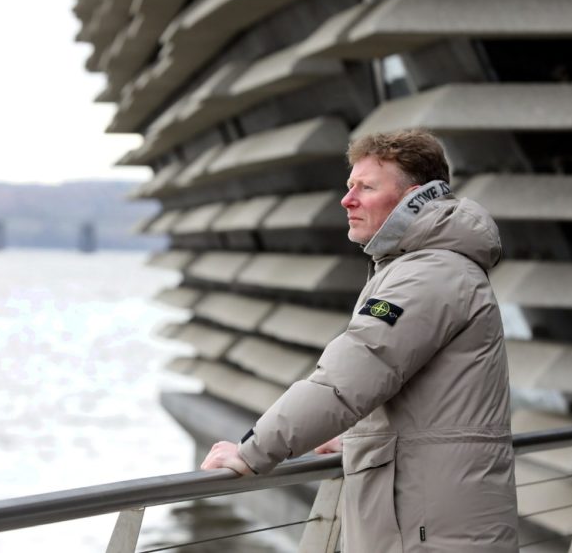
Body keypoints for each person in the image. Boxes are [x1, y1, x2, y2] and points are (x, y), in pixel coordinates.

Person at [200, 129, 519, 552]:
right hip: (435, 520)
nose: (347, 200)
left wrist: (252, 451)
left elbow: (349, 377)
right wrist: (359, 438)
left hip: (431, 532)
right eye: (349, 186)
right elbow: (428, 400)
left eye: (365, 187)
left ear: (415, 197)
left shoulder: (428, 275)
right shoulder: (427, 268)